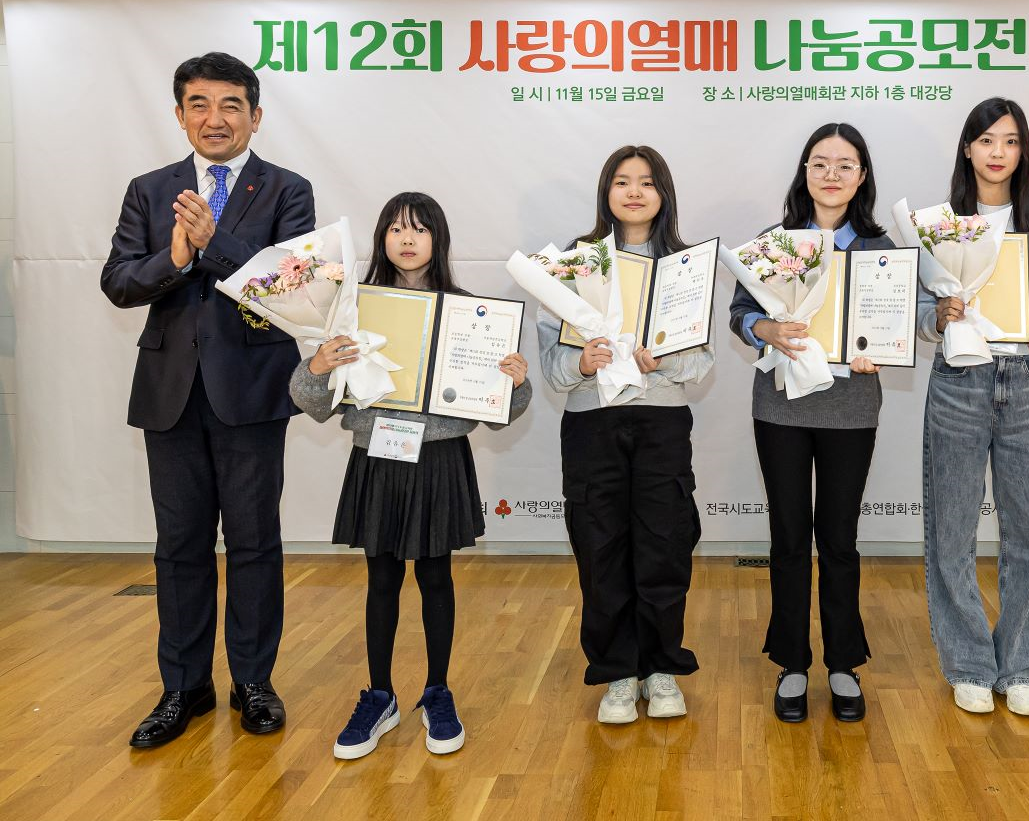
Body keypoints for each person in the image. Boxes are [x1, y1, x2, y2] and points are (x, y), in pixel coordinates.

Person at [102, 52, 315, 748]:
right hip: (169, 394)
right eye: (199, 104)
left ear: (255, 116)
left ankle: (253, 682)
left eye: (230, 105)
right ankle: (184, 687)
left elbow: (291, 286)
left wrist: (212, 241)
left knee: (254, 543)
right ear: (179, 115)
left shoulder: (287, 189)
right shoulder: (148, 190)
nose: (214, 118)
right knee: (179, 547)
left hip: (251, 392)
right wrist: (175, 259)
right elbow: (119, 282)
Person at [290, 192, 532, 759]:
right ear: (381, 238)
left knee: (437, 578)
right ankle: (379, 696)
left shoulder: (470, 313)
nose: (406, 239)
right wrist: (317, 366)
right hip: (378, 455)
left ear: (437, 240)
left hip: (440, 458)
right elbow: (312, 400)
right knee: (380, 580)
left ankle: (437, 692)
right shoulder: (352, 309)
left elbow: (503, 413)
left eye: (419, 229)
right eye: (396, 228)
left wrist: (515, 384)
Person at [535, 145, 714, 725]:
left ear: (664, 193)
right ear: (606, 192)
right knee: (600, 545)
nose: (634, 192)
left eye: (646, 182)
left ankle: (660, 667)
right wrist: (581, 362)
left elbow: (702, 361)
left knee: (664, 543)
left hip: (661, 420)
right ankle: (617, 671)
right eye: (622, 181)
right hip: (592, 422)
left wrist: (662, 360)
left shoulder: (685, 266)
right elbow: (553, 367)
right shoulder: (573, 264)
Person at [727, 122, 892, 723]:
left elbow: (895, 323)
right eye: (820, 163)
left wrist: (883, 349)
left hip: (851, 409)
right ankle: (792, 662)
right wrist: (764, 329)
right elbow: (739, 313)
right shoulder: (775, 243)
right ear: (805, 172)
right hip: (781, 408)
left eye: (845, 165)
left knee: (840, 541)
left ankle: (843, 663)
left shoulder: (880, 248)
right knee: (790, 538)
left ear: (862, 177)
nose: (831, 175)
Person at [919, 97, 1029, 717]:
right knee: (950, 531)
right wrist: (937, 315)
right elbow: (916, 317)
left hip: (1027, 379)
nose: (997, 153)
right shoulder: (938, 227)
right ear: (967, 149)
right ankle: (970, 664)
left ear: (1022, 151)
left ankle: (1023, 667)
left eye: (1010, 141)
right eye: (986, 141)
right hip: (959, 381)